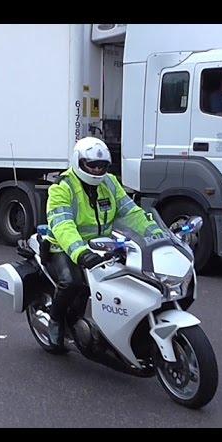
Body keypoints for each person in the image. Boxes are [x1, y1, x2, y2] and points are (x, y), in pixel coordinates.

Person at [44, 137, 163, 349]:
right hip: (64, 247)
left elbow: (130, 212)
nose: (98, 170)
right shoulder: (62, 187)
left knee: (132, 278)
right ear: (78, 162)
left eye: (103, 166)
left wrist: (155, 233)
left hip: (103, 246)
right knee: (73, 283)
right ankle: (56, 321)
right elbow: (63, 225)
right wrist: (81, 252)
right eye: (93, 165)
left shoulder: (110, 182)